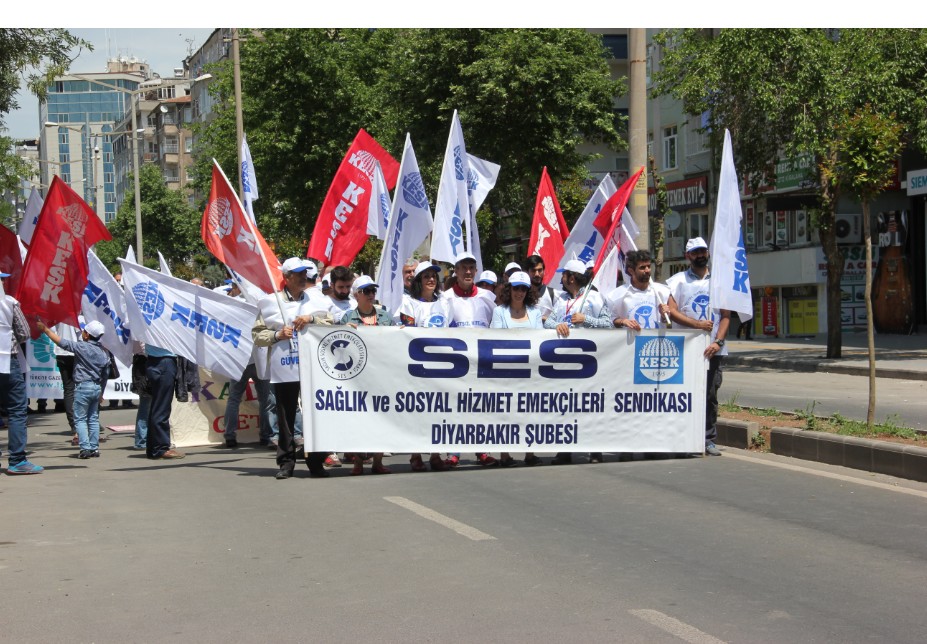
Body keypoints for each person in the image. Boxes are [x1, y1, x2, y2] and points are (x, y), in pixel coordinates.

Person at [253, 257, 329, 480]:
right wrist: (278, 335)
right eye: (298, 274)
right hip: (285, 366)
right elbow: (257, 335)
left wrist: (311, 318)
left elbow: (331, 321)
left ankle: (316, 461)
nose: (303, 277)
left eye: (305, 273)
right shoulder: (270, 303)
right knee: (285, 413)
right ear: (286, 277)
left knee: (316, 413)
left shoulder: (316, 300)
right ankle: (286, 462)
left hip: (313, 366)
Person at [666, 237, 732, 457]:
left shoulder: (719, 281)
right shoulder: (677, 281)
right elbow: (671, 311)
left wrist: (717, 342)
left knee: (710, 395)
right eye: (695, 252)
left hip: (712, 350)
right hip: (684, 349)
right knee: (682, 395)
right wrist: (697, 325)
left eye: (703, 251)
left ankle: (708, 439)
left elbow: (726, 315)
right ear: (688, 256)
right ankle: (682, 438)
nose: (700, 255)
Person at [544, 259, 612, 465]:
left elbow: (608, 324)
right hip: (564, 361)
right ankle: (565, 449)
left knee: (590, 407)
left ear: (571, 278)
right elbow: (548, 322)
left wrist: (586, 320)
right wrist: (558, 326)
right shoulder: (561, 299)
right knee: (565, 406)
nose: (561, 278)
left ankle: (595, 449)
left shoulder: (595, 298)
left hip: (590, 362)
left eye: (564, 275)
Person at [443, 251, 498, 467]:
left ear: (476, 271)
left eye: (471, 268)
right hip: (456, 364)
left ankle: (482, 450)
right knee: (455, 408)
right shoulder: (445, 298)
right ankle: (453, 452)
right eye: (463, 268)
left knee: (481, 409)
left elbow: (497, 325)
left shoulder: (487, 297)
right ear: (456, 271)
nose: (467, 272)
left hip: (482, 363)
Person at [339, 275, 394, 475]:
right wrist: (344, 330)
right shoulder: (347, 318)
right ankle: (358, 463)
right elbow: (338, 344)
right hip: (358, 377)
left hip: (381, 374)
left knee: (381, 417)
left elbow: (396, 341)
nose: (371, 294)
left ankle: (378, 461)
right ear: (356, 295)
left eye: (373, 290)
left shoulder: (385, 317)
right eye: (366, 291)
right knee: (358, 419)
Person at [398, 261, 448, 472]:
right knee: (419, 412)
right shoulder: (408, 303)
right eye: (426, 276)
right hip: (419, 366)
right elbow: (409, 331)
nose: (431, 279)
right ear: (419, 280)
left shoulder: (444, 303)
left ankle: (436, 454)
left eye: (434, 276)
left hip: (443, 366)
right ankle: (416, 454)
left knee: (439, 412)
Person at [491, 271, 544, 467]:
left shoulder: (535, 312)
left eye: (523, 289)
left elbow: (540, 339)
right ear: (509, 289)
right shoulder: (499, 312)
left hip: (529, 371)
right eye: (516, 288)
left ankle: (530, 453)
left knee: (530, 411)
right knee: (505, 413)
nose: (519, 292)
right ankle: (504, 454)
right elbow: (496, 339)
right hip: (506, 370)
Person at [38, 320, 111, 459]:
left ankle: (85, 448)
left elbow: (63, 343)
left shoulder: (81, 347)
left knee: (80, 419)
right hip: (96, 387)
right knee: (93, 419)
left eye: (84, 331)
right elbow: (105, 374)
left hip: (83, 386)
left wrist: (46, 330)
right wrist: (101, 391)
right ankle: (94, 448)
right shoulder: (103, 352)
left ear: (87, 335)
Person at [222, 281, 278, 450]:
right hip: (257, 358)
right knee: (265, 399)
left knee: (235, 398)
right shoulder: (263, 306)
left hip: (243, 359)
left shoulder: (234, 306)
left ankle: (230, 435)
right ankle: (267, 436)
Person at [0, 272, 43, 474]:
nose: (4, 281)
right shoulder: (9, 303)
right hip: (7, 360)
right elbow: (25, 333)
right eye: (1, 279)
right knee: (17, 410)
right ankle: (17, 460)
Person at [606, 250, 672, 332]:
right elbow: (610, 321)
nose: (647, 270)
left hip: (656, 339)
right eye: (642, 267)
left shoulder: (664, 292)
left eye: (648, 266)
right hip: (630, 339)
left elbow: (669, 323)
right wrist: (623, 321)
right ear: (631, 271)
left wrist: (664, 316)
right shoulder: (615, 296)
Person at [525, 254, 555, 321]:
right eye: (533, 270)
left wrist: (545, 320)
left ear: (544, 271)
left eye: (540, 270)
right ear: (527, 272)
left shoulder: (553, 295)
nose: (537, 274)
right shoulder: (521, 294)